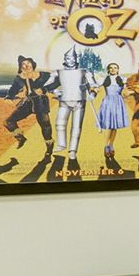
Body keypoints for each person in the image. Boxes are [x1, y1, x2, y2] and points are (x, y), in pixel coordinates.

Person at [51, 46, 95, 179]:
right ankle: (61, 144)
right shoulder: (57, 71)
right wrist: (54, 91)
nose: (70, 60)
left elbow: (93, 84)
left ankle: (72, 151)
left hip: (79, 102)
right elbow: (49, 85)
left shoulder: (85, 71)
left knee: (76, 128)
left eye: (72, 58)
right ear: (64, 59)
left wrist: (92, 93)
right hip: (63, 101)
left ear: (76, 59)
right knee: (59, 123)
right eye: (67, 58)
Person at [2, 56, 54, 149]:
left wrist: (45, 89)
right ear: (21, 68)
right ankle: (21, 138)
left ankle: (49, 147)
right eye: (23, 65)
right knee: (8, 122)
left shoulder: (44, 75)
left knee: (45, 125)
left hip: (41, 102)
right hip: (27, 102)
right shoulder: (19, 78)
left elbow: (57, 81)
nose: (26, 66)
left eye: (28, 63)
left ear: (32, 65)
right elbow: (13, 89)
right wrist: (9, 97)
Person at [94, 62, 129, 170]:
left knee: (115, 126)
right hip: (108, 102)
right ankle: (105, 146)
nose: (113, 70)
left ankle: (111, 145)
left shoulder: (123, 79)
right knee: (108, 126)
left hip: (119, 102)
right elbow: (94, 86)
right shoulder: (104, 79)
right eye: (111, 68)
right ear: (108, 70)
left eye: (115, 68)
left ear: (118, 69)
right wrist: (94, 89)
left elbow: (127, 90)